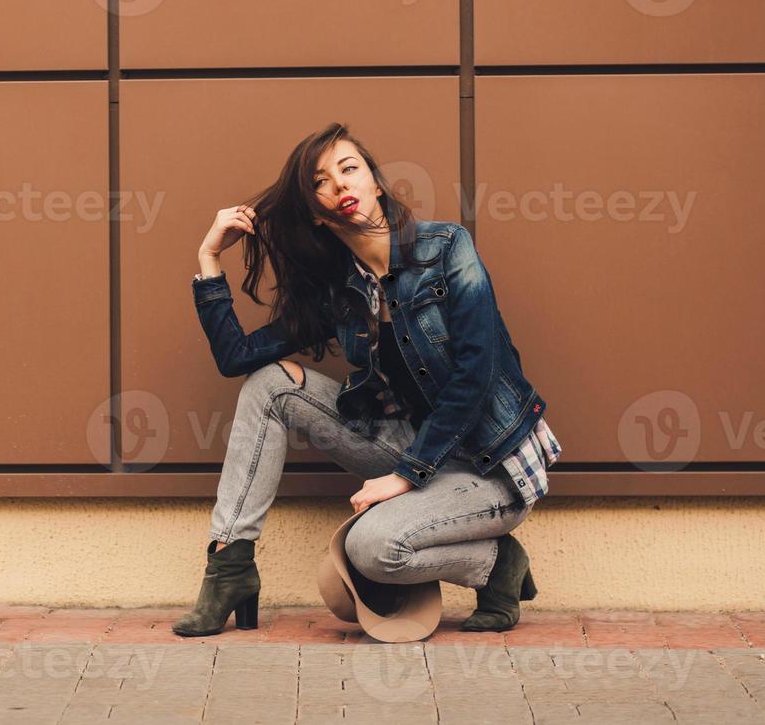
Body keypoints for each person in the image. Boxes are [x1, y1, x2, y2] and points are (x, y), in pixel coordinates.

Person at [172, 123, 561, 638]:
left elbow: (477, 375)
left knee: (371, 550)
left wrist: (404, 477)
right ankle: (229, 566)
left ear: (376, 184)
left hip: (490, 466)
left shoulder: (447, 249)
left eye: (349, 169)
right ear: (315, 211)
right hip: (416, 450)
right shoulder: (340, 292)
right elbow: (236, 357)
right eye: (321, 181)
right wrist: (208, 259)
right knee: (268, 384)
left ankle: (495, 565)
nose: (339, 185)